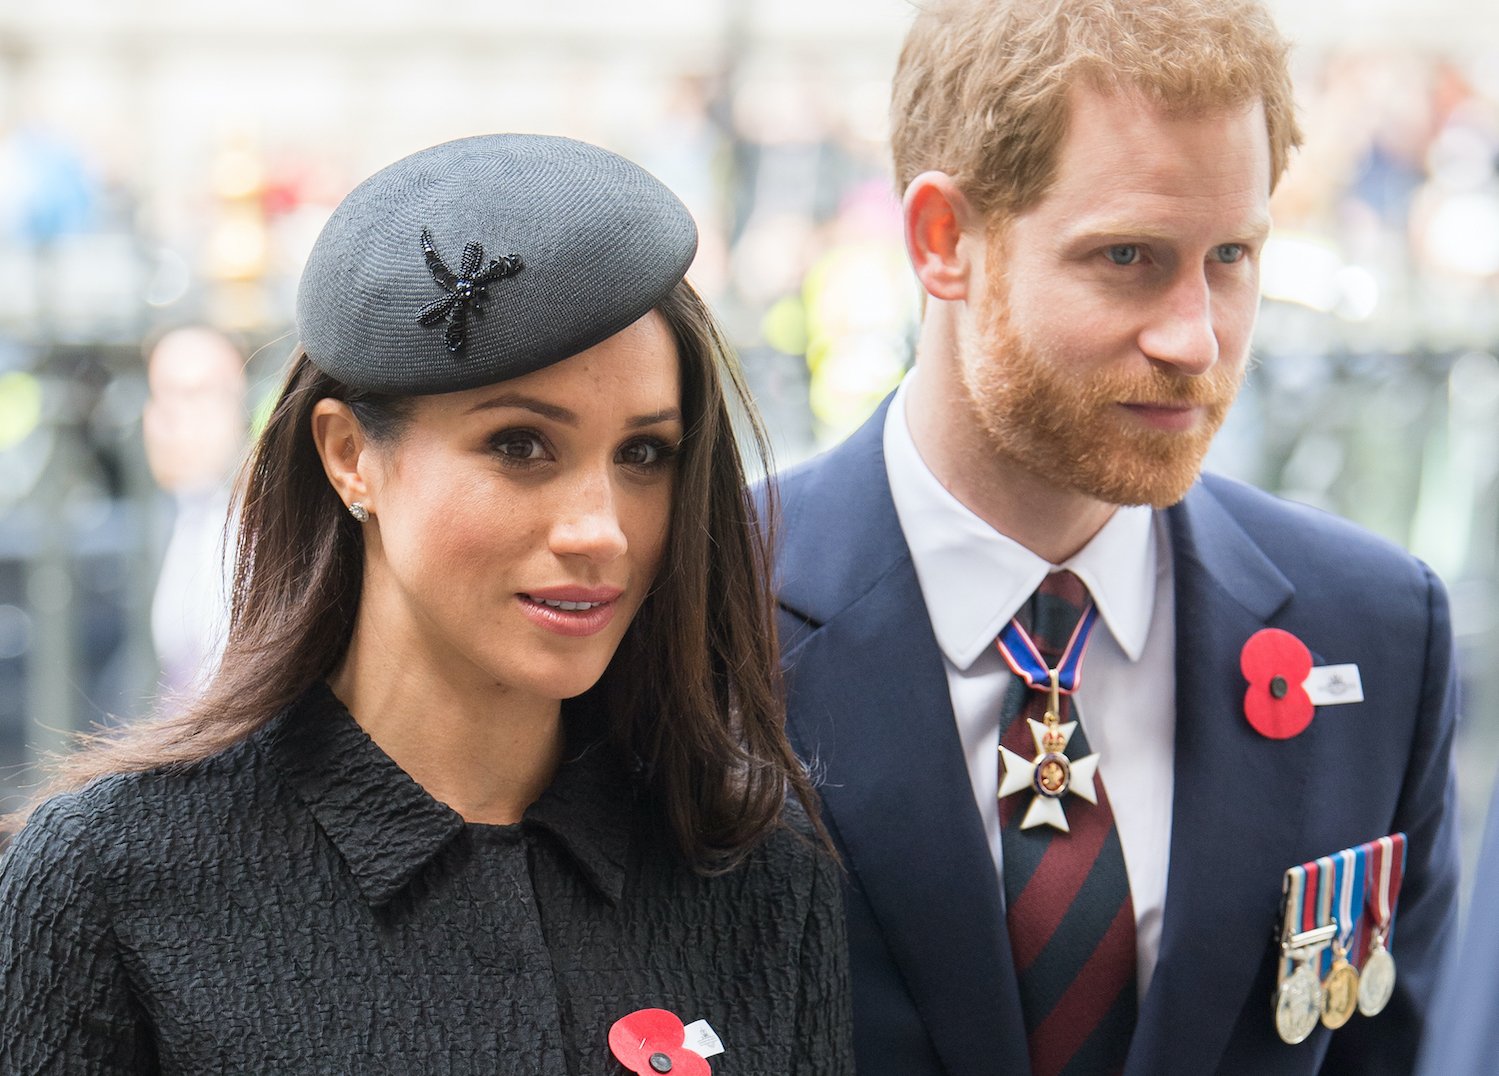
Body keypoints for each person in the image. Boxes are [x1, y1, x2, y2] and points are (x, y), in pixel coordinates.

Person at [0, 134, 851, 1073]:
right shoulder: (112, 881)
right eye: (521, 445)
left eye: (643, 454)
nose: (601, 529)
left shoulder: (755, 875)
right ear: (348, 456)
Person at [770, 2, 1458, 1074]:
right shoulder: (699, 604)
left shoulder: (1375, 630)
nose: (1195, 337)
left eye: (1229, 254)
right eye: (1126, 256)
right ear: (941, 240)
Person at [141, 325, 248, 702]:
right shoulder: (178, 516)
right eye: (159, 396)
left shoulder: (258, 525)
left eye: (194, 395)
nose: (169, 420)